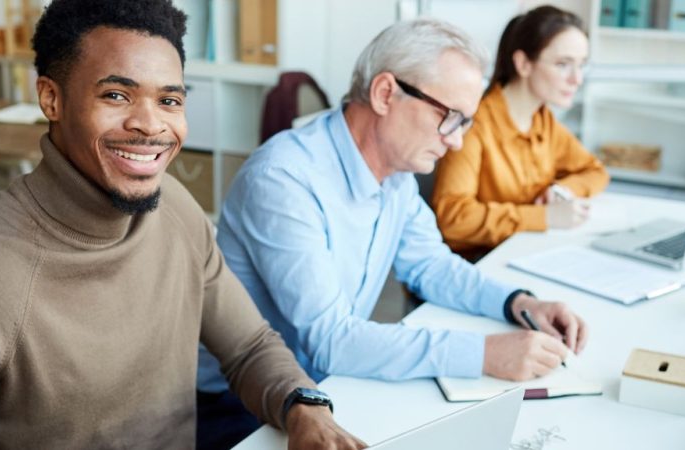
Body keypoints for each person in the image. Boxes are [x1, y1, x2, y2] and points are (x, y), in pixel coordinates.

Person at [0, 1, 365, 448]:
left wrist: (306, 408)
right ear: (51, 99)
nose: (150, 125)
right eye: (116, 94)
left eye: (170, 100)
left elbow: (250, 346)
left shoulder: (176, 207)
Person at [196, 18, 589, 446]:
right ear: (386, 93)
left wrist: (518, 302)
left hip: (324, 386)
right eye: (451, 117)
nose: (456, 142)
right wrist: (485, 354)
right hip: (240, 408)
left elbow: (431, 266)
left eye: (465, 123)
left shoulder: (396, 170)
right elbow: (332, 340)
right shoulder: (283, 179)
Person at [431, 5, 610, 261]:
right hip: (476, 264)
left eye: (581, 65)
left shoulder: (542, 121)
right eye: (563, 64)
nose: (577, 79)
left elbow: (596, 171)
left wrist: (563, 190)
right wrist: (544, 217)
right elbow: (454, 219)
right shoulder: (476, 124)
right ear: (524, 63)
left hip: (523, 252)